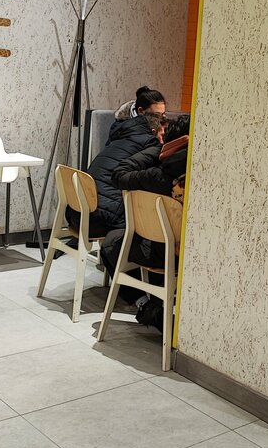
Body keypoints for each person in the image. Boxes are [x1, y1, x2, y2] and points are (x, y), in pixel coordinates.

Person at [100, 115, 190, 326]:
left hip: (164, 254)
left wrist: (161, 149)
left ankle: (147, 307)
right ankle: (159, 311)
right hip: (191, 255)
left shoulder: (158, 176)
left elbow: (119, 174)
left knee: (112, 243)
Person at [67, 110, 164, 238]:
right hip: (98, 221)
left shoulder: (118, 139)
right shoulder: (149, 144)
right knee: (145, 222)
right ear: (153, 132)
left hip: (75, 214)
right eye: (162, 135)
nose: (163, 140)